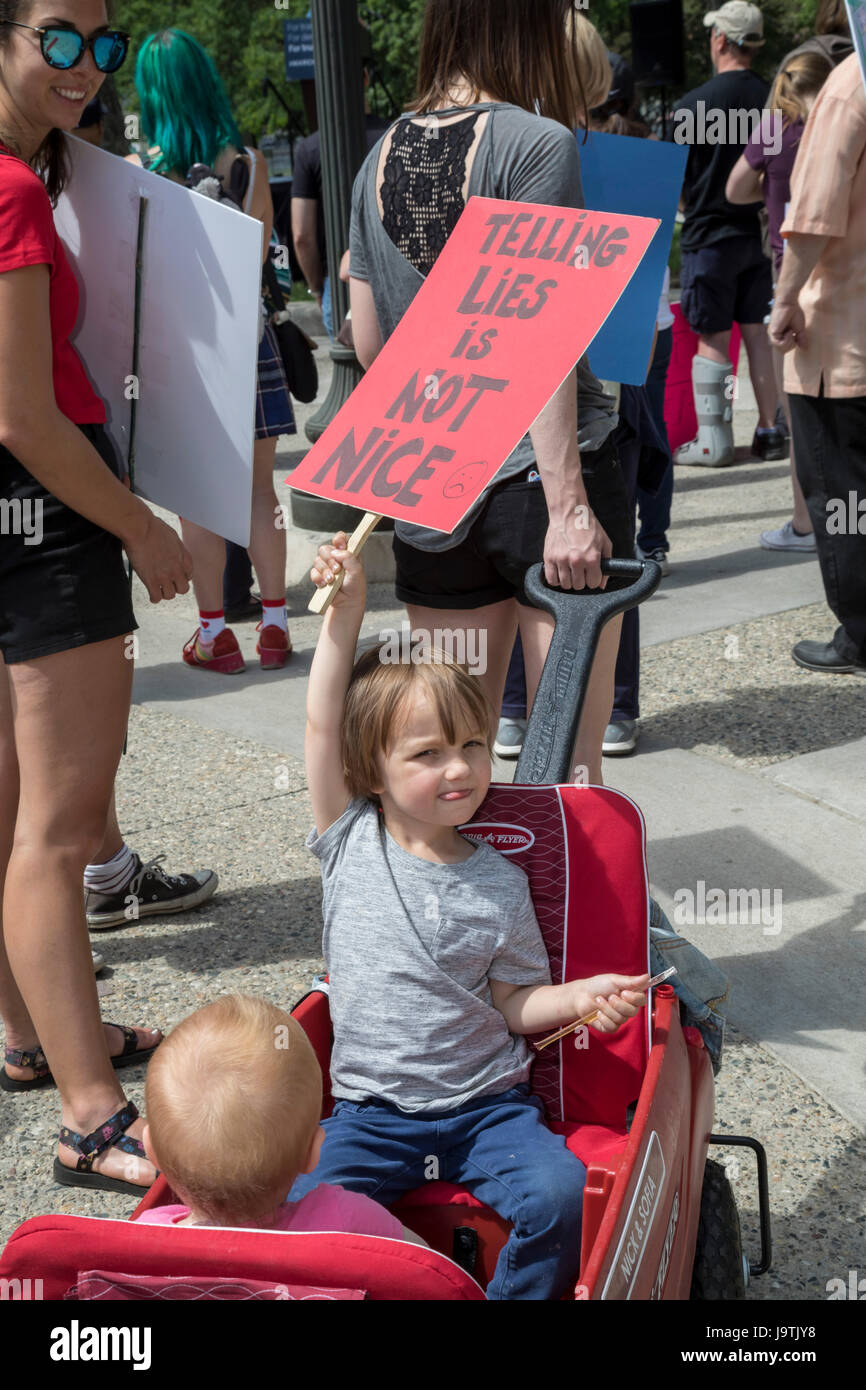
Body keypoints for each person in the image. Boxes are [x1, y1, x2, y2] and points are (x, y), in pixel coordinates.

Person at [291, 532, 650, 1299]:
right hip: (371, 1114)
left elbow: (517, 1002)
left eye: (473, 745)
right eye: (426, 755)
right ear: (369, 774)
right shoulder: (349, 838)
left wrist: (583, 1000)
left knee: (557, 1196)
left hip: (489, 1111)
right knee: (293, 1210)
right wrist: (345, 614)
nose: (458, 767)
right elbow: (324, 723)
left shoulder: (500, 880)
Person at [0, 0, 192, 1193]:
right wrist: (141, 528)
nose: (87, 66)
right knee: (61, 832)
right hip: (47, 513)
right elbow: (23, 412)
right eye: (58, 39)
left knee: (14, 811)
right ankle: (89, 1114)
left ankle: (31, 1041)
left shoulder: (32, 176)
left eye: (104, 44)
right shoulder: (15, 194)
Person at [347, 0, 635, 788]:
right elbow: (540, 339)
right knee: (565, 762)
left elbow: (368, 343)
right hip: (541, 481)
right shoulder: (537, 144)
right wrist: (571, 504)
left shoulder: (374, 160)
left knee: (450, 765)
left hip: (432, 481)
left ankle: (480, 912)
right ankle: (572, 910)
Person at [134, 29, 295, 673]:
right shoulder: (249, 163)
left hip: (184, 352)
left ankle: (213, 635)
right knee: (261, 491)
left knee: (198, 497)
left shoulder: (144, 174)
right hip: (249, 344)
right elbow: (259, 257)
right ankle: (277, 626)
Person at [137, 994, 425, 1241]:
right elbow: (426, 1266)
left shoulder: (144, 1236)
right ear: (314, 1152)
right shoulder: (346, 1218)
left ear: (151, 1150)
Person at [768, 53, 866, 676]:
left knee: (842, 493)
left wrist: (784, 298)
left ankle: (860, 633)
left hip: (843, 335)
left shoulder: (852, 80)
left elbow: (814, 212)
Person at [726, 50, 832, 552]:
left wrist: (772, 180)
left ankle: (806, 523)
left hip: (789, 275)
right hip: (847, 276)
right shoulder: (839, 122)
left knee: (799, 407)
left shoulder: (776, 129)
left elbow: (735, 188)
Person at [673, 2, 785, 467]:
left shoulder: (689, 105)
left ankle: (714, 439)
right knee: (759, 334)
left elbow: (675, 182)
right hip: (760, 237)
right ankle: (772, 431)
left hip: (708, 237)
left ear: (720, 40)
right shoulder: (776, 101)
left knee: (714, 337)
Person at [291, 71, 389, 341]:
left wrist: (316, 289)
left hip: (337, 284)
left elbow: (301, 235)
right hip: (391, 278)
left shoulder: (310, 149)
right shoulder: (396, 136)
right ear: (367, 77)